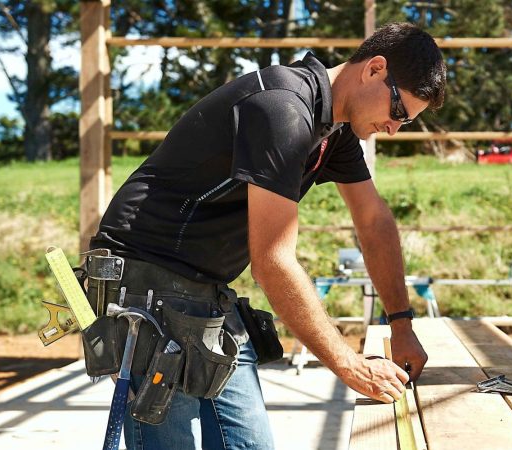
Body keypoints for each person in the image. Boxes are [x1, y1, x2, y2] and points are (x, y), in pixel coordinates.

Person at [85, 22, 447, 450]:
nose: (394, 127)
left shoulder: (333, 130)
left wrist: (400, 323)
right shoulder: (282, 109)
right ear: (374, 69)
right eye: (400, 112)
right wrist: (350, 365)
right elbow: (273, 263)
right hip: (146, 282)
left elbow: (374, 222)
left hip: (204, 289)